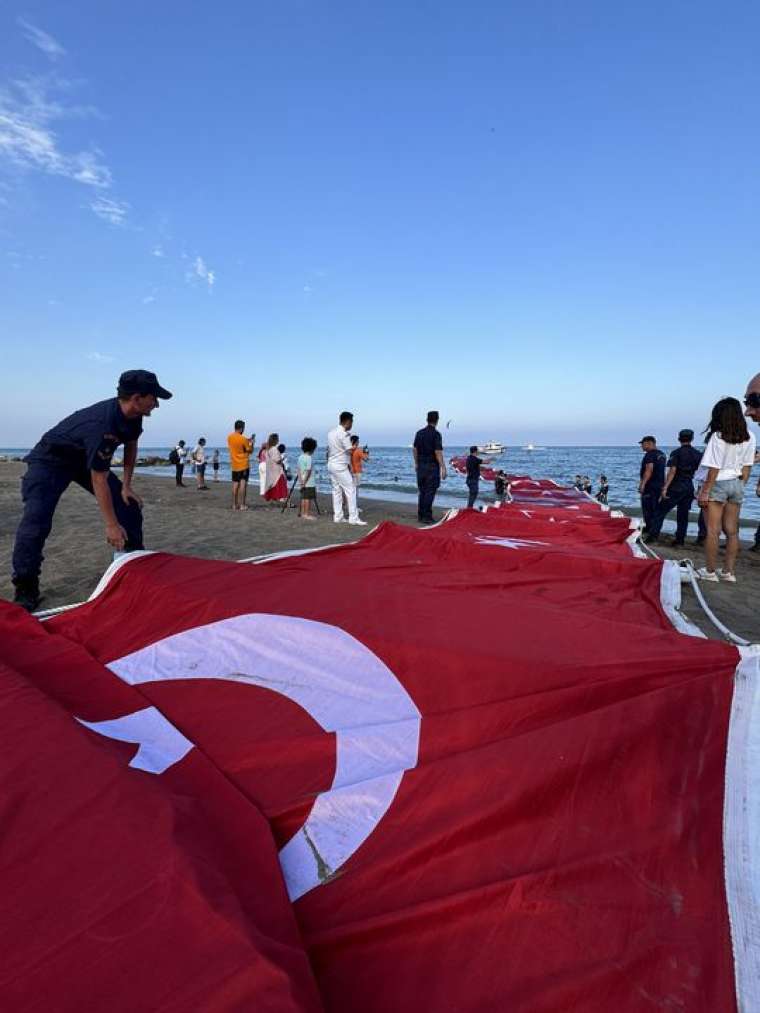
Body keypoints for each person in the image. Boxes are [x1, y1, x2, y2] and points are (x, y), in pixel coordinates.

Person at [11, 369, 171, 611]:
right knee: (36, 522)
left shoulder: (134, 416)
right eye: (153, 398)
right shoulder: (103, 424)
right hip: (51, 460)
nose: (157, 404)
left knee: (129, 507)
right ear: (137, 398)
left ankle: (131, 565)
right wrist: (111, 525)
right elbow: (99, 479)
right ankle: (25, 587)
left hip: (84, 458)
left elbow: (131, 444)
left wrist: (127, 486)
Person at [694, 397, 755, 583]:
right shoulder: (750, 436)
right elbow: (747, 466)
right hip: (736, 483)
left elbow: (714, 467)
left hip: (717, 483)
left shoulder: (718, 436)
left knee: (713, 531)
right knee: (732, 531)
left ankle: (710, 571)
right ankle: (728, 572)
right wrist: (740, 485)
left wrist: (705, 491)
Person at [643, 430, 702, 546]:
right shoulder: (698, 454)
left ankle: (653, 536)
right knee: (683, 514)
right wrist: (699, 489)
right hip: (689, 485)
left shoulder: (676, 453)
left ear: (679, 439)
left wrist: (665, 488)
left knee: (660, 511)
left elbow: (672, 471)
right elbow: (701, 473)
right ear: (692, 439)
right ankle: (680, 539)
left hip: (676, 485)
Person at [327, 411, 366, 525]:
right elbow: (349, 450)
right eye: (352, 422)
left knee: (337, 490)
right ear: (348, 421)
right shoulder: (343, 434)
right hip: (340, 465)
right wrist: (354, 446)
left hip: (331, 464)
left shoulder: (331, 433)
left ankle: (338, 516)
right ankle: (353, 518)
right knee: (351, 489)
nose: (352, 425)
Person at [413, 410, 446, 524]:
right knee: (430, 491)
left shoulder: (419, 433)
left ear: (427, 419)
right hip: (432, 466)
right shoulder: (436, 434)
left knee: (422, 491)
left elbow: (415, 449)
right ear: (437, 420)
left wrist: (416, 463)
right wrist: (443, 467)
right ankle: (426, 516)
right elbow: (437, 451)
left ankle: (421, 515)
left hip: (421, 466)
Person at [637, 436, 666, 532]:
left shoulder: (649, 455)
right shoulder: (662, 454)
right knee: (655, 507)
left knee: (647, 508)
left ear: (650, 443)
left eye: (643, 444)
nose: (641, 446)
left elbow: (649, 470)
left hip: (650, 486)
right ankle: (654, 528)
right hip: (659, 485)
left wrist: (642, 484)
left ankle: (650, 528)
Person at [227, 420, 254, 511]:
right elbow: (249, 450)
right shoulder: (243, 439)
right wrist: (252, 442)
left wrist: (248, 440)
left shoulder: (229, 437)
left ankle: (234, 505)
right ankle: (242, 505)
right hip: (243, 464)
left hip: (234, 464)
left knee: (235, 484)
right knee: (243, 485)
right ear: (242, 428)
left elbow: (238, 446)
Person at [263, 433, 288, 502]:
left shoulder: (268, 449)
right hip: (277, 470)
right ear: (275, 440)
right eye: (277, 439)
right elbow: (277, 461)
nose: (278, 440)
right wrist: (283, 459)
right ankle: (282, 498)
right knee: (280, 484)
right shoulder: (274, 449)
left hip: (271, 469)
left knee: (273, 484)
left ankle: (274, 497)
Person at [298, 437, 318, 521]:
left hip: (302, 480)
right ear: (312, 448)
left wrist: (301, 481)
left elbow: (298, 470)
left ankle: (303, 513)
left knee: (303, 498)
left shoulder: (300, 457)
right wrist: (305, 482)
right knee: (308, 499)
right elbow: (309, 471)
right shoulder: (309, 458)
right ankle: (306, 514)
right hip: (309, 482)